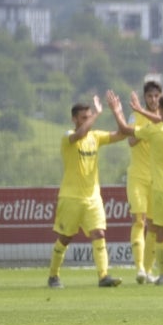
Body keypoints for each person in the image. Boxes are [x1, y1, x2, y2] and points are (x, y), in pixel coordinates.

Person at [108, 90, 163, 287]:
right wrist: (142, 110)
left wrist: (117, 110)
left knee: (160, 232)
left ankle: (162, 276)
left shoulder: (153, 131)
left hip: (161, 188)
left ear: (160, 107)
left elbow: (124, 129)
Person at [47, 96, 127, 288]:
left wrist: (116, 111)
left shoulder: (96, 137)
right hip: (71, 197)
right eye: (84, 117)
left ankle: (103, 276)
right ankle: (53, 276)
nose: (87, 121)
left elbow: (123, 134)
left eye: (89, 116)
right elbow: (81, 134)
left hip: (92, 198)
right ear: (74, 119)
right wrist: (98, 114)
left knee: (99, 233)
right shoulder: (68, 138)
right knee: (65, 238)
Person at [125, 80, 162, 284]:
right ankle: (139, 268)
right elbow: (131, 140)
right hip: (138, 176)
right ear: (145, 97)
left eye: (157, 96)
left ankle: (148, 271)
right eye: (150, 96)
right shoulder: (135, 116)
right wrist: (147, 126)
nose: (153, 100)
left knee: (155, 226)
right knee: (139, 220)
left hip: (158, 179)